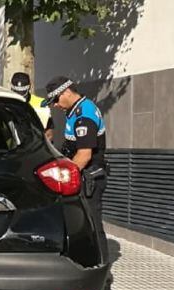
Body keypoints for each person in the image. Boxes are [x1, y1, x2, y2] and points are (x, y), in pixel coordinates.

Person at [41, 75, 109, 255]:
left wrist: (63, 178)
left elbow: (84, 155)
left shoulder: (83, 114)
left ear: (67, 92)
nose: (55, 104)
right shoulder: (75, 111)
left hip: (89, 179)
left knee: (92, 226)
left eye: (56, 99)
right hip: (82, 177)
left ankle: (101, 269)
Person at [10, 72, 53, 140]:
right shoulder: (6, 102)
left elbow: (49, 133)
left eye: (23, 93)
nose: (20, 97)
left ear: (30, 86)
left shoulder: (41, 103)